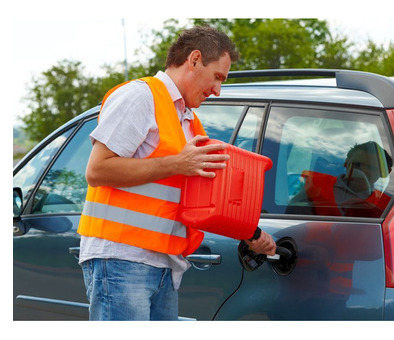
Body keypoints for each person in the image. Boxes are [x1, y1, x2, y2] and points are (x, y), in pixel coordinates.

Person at [77, 25, 276, 321]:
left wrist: (252, 233)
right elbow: (97, 169)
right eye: (217, 77)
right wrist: (176, 164)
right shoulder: (140, 97)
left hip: (165, 264)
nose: (218, 90)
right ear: (194, 59)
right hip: (121, 259)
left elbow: (201, 201)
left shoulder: (187, 120)